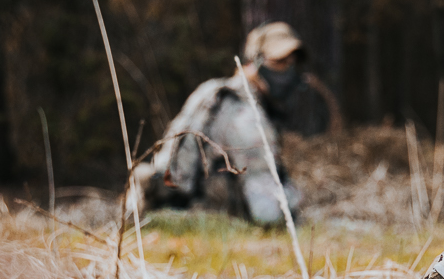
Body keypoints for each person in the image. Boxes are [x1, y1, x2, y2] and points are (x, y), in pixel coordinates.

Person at [131, 22, 316, 227]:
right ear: (253, 62)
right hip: (197, 218)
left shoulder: (214, 90)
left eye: (292, 63)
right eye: (280, 62)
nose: (288, 72)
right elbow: (268, 211)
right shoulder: (245, 116)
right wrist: (299, 207)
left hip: (170, 208)